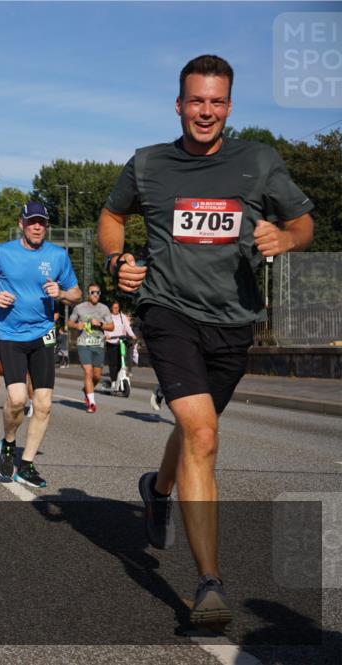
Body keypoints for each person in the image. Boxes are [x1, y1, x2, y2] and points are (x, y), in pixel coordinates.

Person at [98, 54, 314, 626]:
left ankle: (158, 488)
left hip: (233, 319)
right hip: (167, 310)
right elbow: (111, 217)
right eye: (196, 100)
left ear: (230, 107)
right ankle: (209, 582)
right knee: (202, 433)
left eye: (217, 102)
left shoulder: (258, 161)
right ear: (179, 104)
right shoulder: (149, 163)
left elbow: (303, 224)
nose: (206, 111)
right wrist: (118, 259)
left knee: (197, 430)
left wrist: (284, 238)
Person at [0, 201, 80, 488]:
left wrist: (62, 293)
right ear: (22, 224)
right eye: (32, 222)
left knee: (43, 404)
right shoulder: (3, 252)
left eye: (42, 222)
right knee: (17, 399)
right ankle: (8, 443)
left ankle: (27, 464)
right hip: (10, 334)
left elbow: (76, 293)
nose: (37, 227)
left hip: (43, 335)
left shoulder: (57, 256)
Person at [68, 285, 114, 412]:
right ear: (88, 293)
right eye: (93, 292)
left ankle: (87, 390)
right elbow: (69, 323)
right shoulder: (79, 308)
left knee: (97, 376)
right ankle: (92, 403)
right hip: (84, 344)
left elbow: (111, 326)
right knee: (88, 371)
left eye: (98, 292)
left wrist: (100, 324)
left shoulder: (104, 308)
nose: (95, 295)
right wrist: (76, 325)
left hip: (99, 344)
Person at [105, 302, 137, 389]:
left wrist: (132, 335)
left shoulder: (122, 317)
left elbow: (127, 327)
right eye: (114, 308)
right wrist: (106, 335)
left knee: (121, 362)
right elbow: (105, 327)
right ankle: (113, 381)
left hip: (121, 342)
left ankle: (119, 380)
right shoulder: (107, 317)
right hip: (111, 342)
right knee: (113, 363)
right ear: (111, 308)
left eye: (117, 307)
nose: (116, 309)